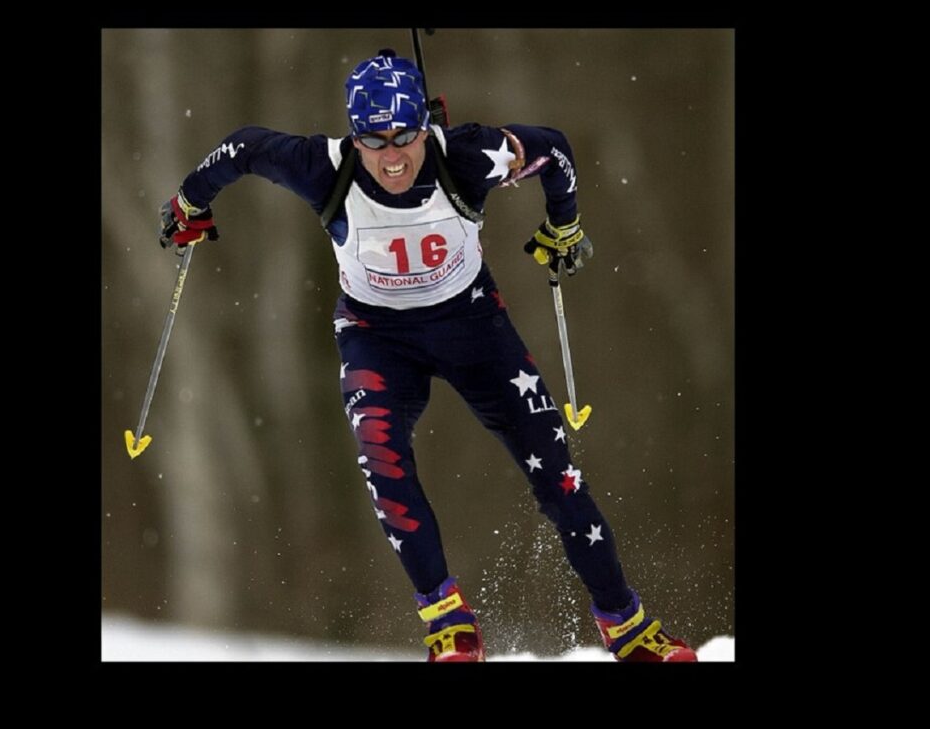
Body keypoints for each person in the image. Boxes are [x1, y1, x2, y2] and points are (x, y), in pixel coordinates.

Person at [158, 48, 696, 663]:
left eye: (404, 136)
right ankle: (448, 623)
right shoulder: (321, 167)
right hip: (376, 337)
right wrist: (187, 206)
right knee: (382, 462)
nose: (390, 157)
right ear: (352, 136)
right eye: (374, 140)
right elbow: (242, 148)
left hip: (472, 327)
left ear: (426, 125)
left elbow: (553, 148)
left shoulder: (467, 156)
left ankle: (625, 626)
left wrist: (564, 227)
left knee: (556, 475)